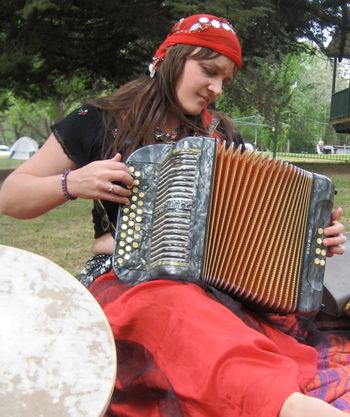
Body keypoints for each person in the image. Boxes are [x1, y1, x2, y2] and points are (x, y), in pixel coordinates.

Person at [0, 13, 348, 417]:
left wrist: (310, 240)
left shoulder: (221, 134)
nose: (216, 89)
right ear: (172, 57)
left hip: (211, 284)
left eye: (225, 81)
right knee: (171, 309)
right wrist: (72, 182)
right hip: (120, 277)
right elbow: (11, 196)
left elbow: (257, 219)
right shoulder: (98, 120)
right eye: (208, 71)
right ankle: (289, 407)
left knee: (207, 315)